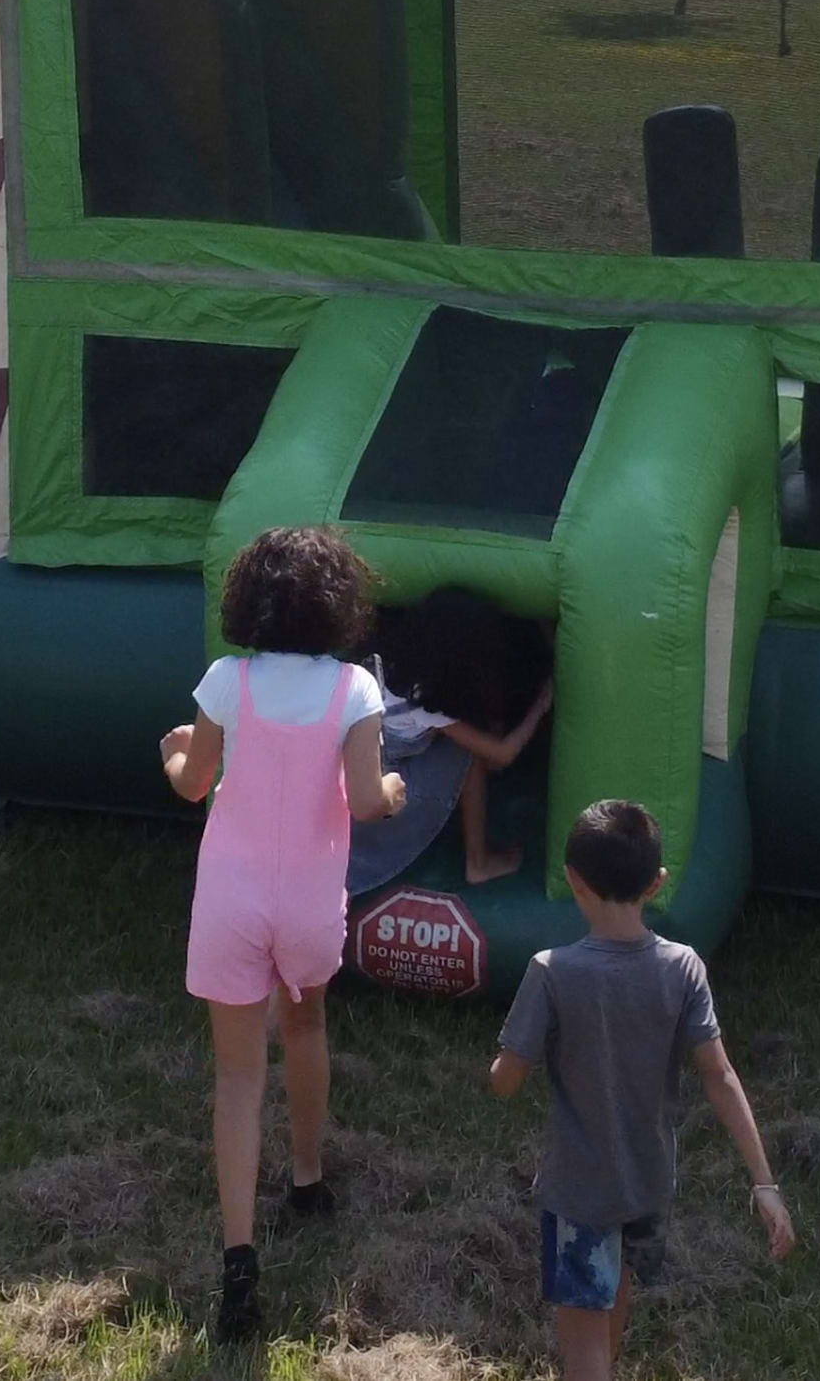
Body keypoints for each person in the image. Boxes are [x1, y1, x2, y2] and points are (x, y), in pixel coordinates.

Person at [159, 525, 409, 1343]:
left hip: (230, 901)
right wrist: (398, 788)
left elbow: (195, 784)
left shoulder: (226, 681)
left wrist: (173, 754)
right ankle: (306, 1178)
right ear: (339, 604)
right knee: (305, 1023)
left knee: (237, 1076)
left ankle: (238, 1263)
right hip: (307, 901)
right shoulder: (354, 692)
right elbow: (368, 799)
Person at [487, 799, 794, 1381]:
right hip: (648, 1188)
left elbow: (507, 1082)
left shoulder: (552, 970)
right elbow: (720, 1077)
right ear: (657, 883)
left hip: (580, 1194)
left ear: (573, 882)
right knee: (611, 1315)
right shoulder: (684, 968)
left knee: (584, 1355)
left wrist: (498, 1069)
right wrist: (764, 1184)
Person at [364, 586, 556, 884]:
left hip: (374, 759)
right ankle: (477, 862)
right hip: (389, 781)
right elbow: (501, 754)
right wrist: (541, 705)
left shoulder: (388, 662)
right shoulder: (422, 700)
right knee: (469, 752)